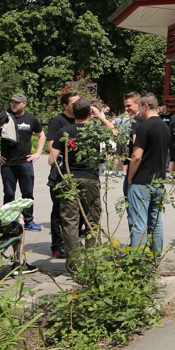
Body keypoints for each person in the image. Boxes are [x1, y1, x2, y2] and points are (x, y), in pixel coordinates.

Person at [52, 99, 112, 270]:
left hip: (69, 179)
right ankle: (94, 263)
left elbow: (51, 160)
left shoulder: (64, 131)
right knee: (92, 220)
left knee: (70, 221)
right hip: (91, 178)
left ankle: (75, 264)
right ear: (89, 113)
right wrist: (101, 117)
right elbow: (115, 134)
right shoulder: (96, 129)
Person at [0, 93, 45, 233]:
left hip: (25, 162)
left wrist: (38, 153)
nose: (13, 104)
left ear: (24, 104)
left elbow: (41, 135)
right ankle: (10, 221)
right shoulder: (4, 116)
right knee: (9, 193)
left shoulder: (31, 119)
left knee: (27, 193)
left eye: (17, 102)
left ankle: (28, 221)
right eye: (12, 102)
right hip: (7, 163)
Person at [127, 94, 171, 253]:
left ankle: (136, 260)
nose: (138, 110)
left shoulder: (144, 127)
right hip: (159, 179)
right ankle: (156, 255)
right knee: (156, 220)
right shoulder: (165, 127)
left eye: (139, 106)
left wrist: (130, 177)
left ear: (145, 106)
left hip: (142, 180)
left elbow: (136, 156)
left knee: (138, 221)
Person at [45, 91, 80, 259]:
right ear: (65, 106)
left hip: (80, 172)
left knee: (78, 211)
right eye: (74, 103)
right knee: (59, 211)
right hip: (61, 172)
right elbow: (51, 147)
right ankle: (58, 245)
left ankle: (74, 243)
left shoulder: (84, 119)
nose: (78, 106)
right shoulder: (58, 121)